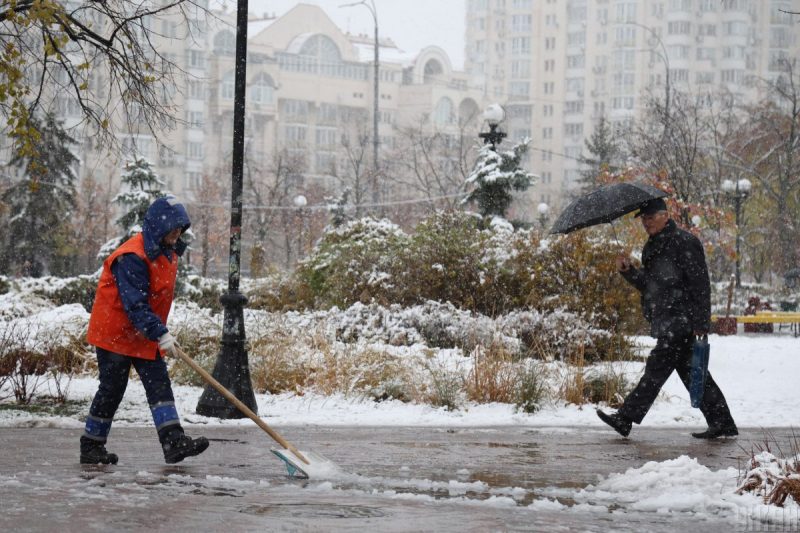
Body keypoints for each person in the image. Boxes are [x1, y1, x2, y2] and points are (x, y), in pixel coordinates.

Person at [80, 195, 209, 464]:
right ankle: (91, 446)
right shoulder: (132, 256)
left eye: (180, 229)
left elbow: (152, 300)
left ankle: (174, 442)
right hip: (114, 331)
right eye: (173, 228)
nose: (177, 234)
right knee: (113, 387)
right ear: (159, 227)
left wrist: (157, 332)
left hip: (142, 332)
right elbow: (135, 304)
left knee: (158, 382)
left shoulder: (166, 251)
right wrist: (160, 333)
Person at [596, 197, 738, 439]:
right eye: (643, 219)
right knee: (693, 372)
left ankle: (625, 418)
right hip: (666, 319)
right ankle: (722, 421)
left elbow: (700, 284)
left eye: (650, 218)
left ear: (665, 215)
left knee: (656, 369)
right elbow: (651, 287)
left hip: (681, 320)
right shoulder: (652, 245)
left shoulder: (684, 242)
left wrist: (701, 323)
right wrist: (628, 271)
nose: (646, 223)